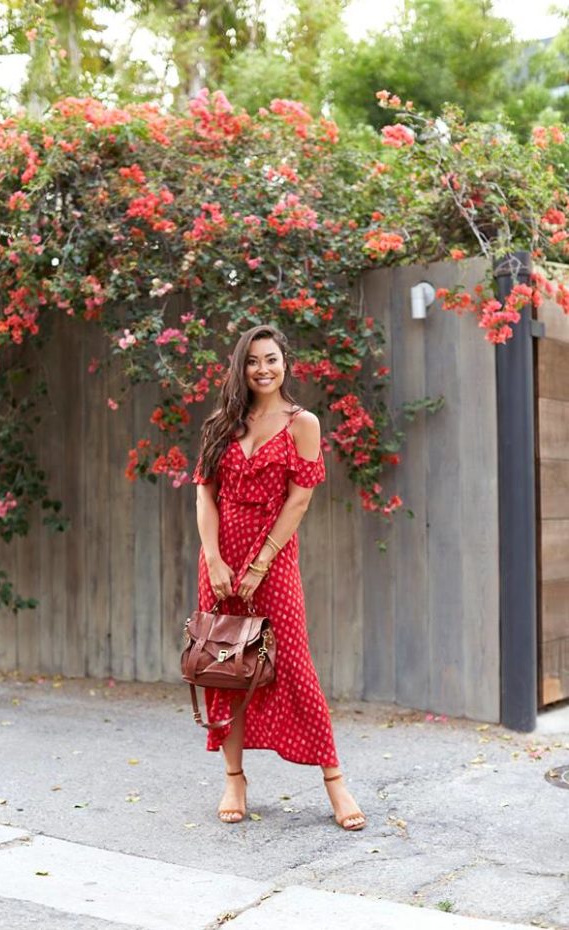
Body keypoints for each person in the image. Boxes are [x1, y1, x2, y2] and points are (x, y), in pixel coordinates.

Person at [193, 323, 366, 831]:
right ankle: (234, 777)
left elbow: (301, 497)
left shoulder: (302, 423)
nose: (262, 369)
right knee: (224, 664)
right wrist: (215, 558)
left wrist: (262, 562)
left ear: (284, 363)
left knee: (292, 664)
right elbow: (204, 494)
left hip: (273, 561)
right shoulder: (220, 424)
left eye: (270, 359)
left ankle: (335, 782)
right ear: (239, 368)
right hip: (220, 563)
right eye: (252, 361)